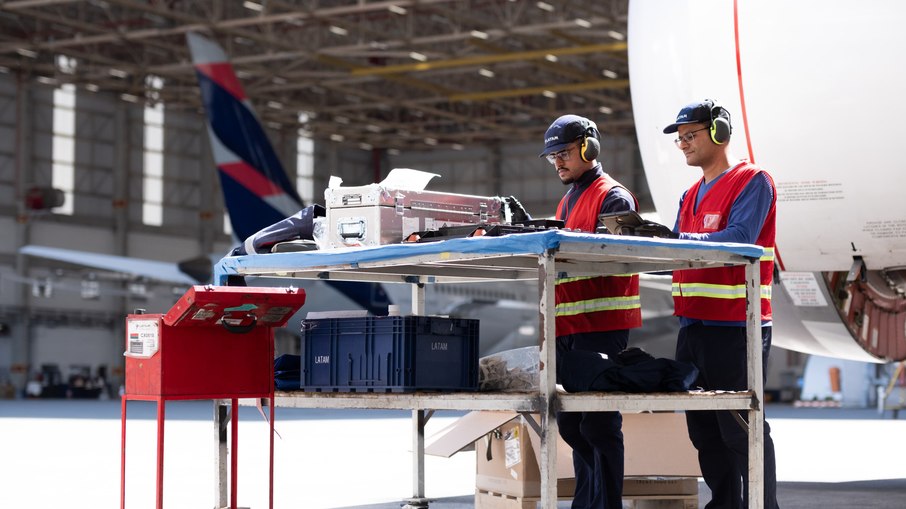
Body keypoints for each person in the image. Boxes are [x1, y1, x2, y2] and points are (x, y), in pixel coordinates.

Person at [662, 99, 780, 509]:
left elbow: (741, 236)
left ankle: (762, 505)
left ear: (719, 133)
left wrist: (679, 241)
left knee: (740, 427)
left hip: (736, 327)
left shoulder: (753, 181)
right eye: (680, 140)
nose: (684, 145)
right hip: (693, 328)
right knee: (704, 431)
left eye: (690, 135)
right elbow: (674, 250)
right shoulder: (689, 194)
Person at [539, 114, 642, 509]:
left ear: (589, 148)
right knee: (570, 422)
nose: (558, 162)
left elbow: (617, 257)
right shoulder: (568, 200)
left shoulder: (613, 196)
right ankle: (588, 502)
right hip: (569, 327)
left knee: (599, 424)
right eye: (552, 157)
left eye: (563, 153)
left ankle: (607, 504)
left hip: (601, 327)